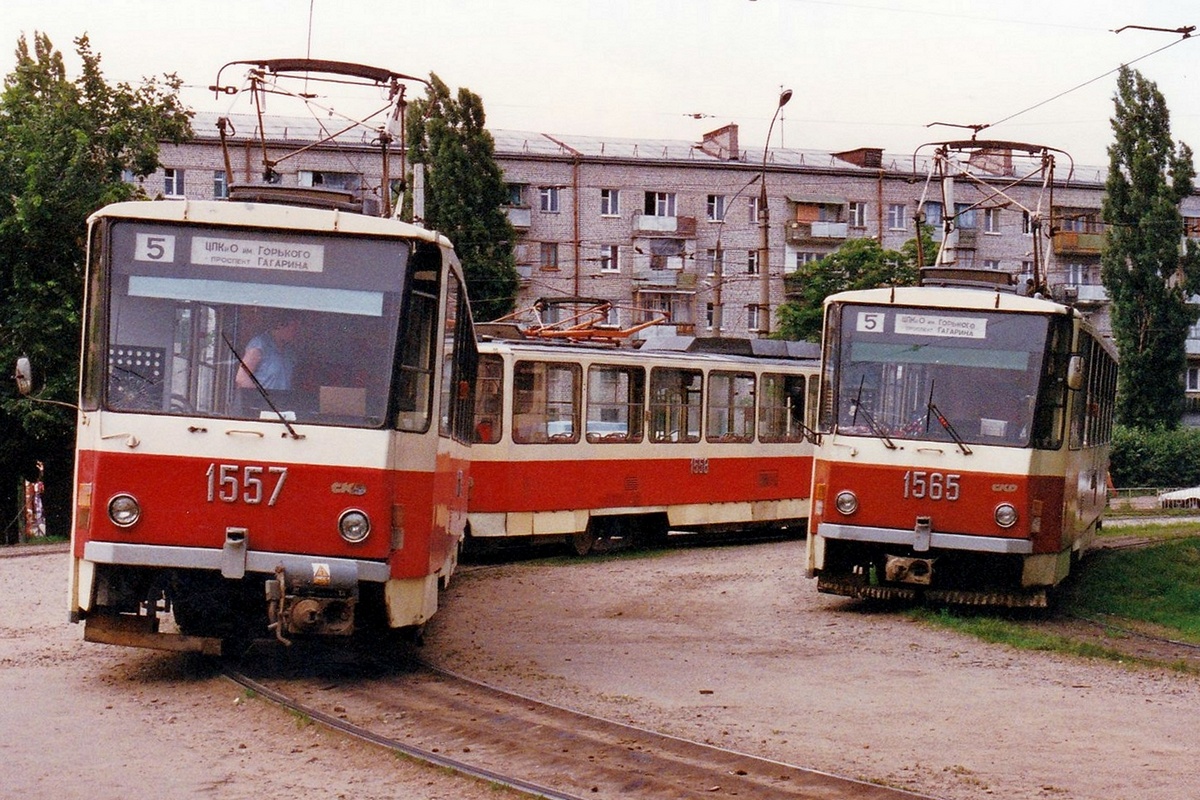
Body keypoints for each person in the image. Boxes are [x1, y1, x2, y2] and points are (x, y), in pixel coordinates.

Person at [236, 316, 301, 391]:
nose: (296, 333)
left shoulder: (289, 351)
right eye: (294, 329)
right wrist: (258, 397)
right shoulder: (260, 344)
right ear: (280, 325)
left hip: (283, 400)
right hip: (262, 400)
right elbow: (242, 378)